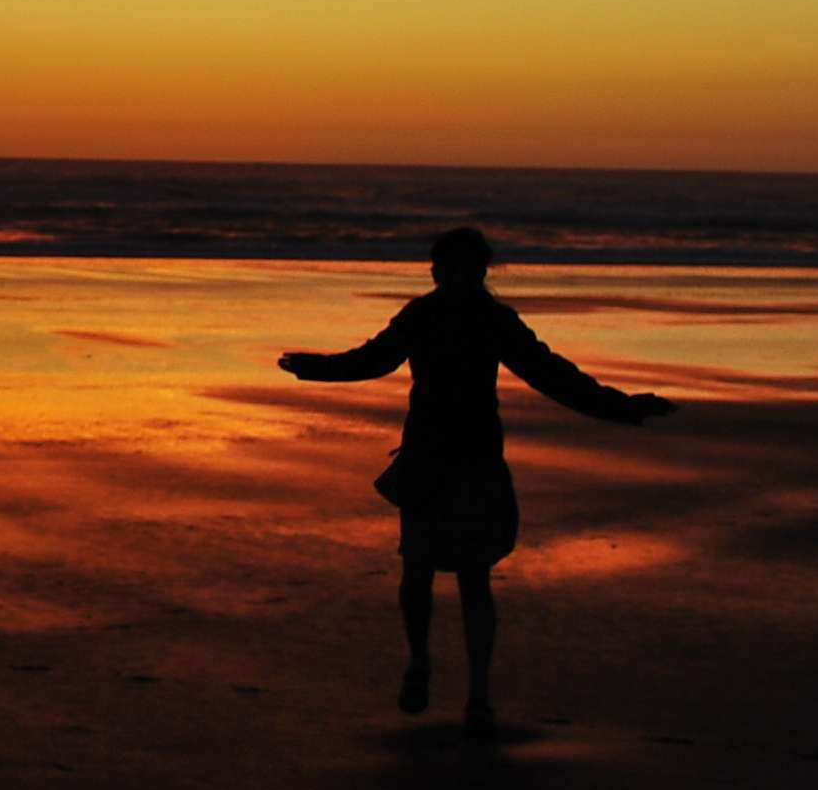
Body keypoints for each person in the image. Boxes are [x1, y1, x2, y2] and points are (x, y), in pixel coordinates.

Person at [279, 226, 672, 736]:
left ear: (477, 271)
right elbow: (374, 359)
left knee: (471, 577)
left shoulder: (492, 320)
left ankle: (478, 694)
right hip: (428, 454)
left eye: (458, 267)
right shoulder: (423, 314)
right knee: (419, 568)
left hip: (473, 457)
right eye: (442, 267)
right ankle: (421, 663)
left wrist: (619, 408)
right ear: (435, 270)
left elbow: (550, 374)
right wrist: (316, 369)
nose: (447, 275)